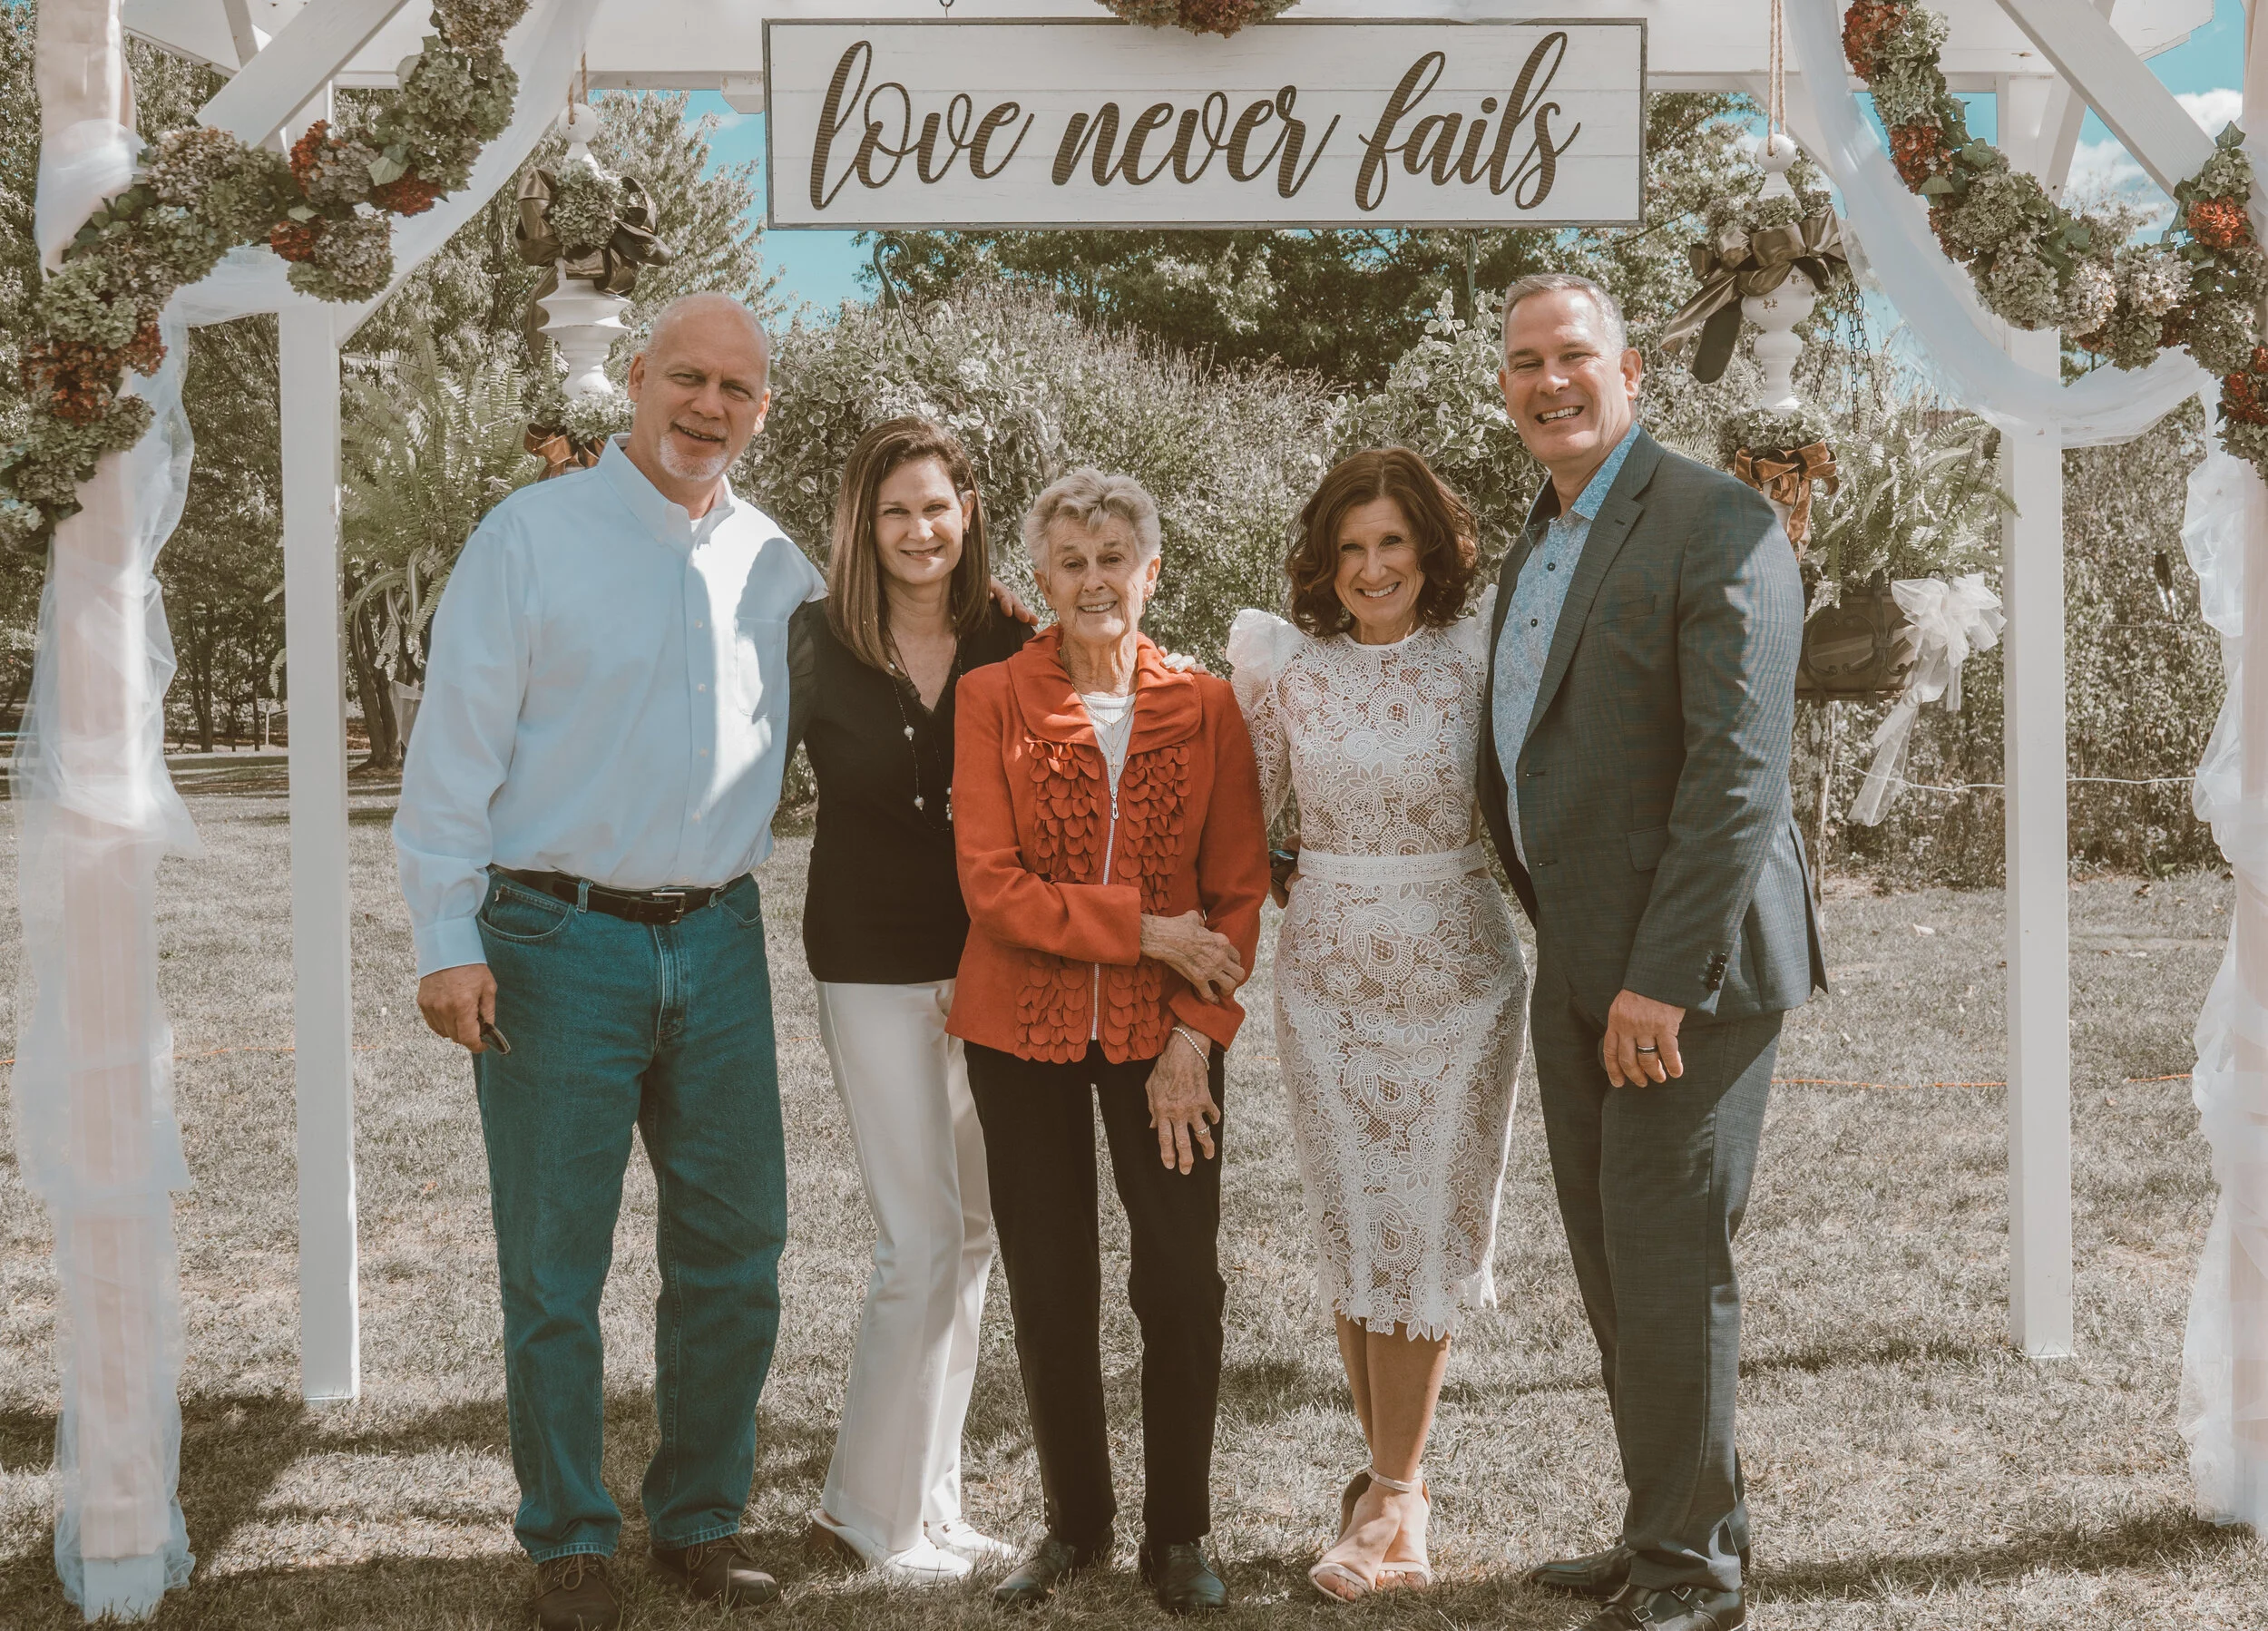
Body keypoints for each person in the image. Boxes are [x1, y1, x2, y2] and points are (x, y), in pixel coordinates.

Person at [396, 293, 813, 1631]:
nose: (708, 407)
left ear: (761, 411)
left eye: (736, 389)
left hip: (720, 938)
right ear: (636, 379)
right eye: (687, 377)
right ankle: (570, 1538)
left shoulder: (779, 564)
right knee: (553, 1259)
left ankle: (700, 1518)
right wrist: (445, 939)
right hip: (552, 939)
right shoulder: (529, 537)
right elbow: (453, 751)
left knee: (737, 1248)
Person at [1478, 273, 1826, 1631]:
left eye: (1573, 355)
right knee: (1616, 1260)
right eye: (1524, 362)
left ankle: (1694, 1576)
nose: (1549, 381)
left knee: (1671, 1259)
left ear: (1630, 372)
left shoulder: (1717, 518)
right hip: (1577, 951)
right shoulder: (1541, 534)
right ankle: (1667, 1525)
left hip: (1687, 971)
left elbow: (1739, 774)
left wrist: (1660, 981)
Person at [947, 469, 1270, 1616]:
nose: (1095, 581)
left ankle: (1178, 1533)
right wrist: (1143, 930)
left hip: (1164, 1036)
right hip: (1019, 1027)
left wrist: (1195, 1036)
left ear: (1152, 572)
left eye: (1114, 559)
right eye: (1072, 561)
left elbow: (1236, 895)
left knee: (1180, 1279)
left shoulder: (1210, 706)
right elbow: (992, 887)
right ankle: (1075, 1523)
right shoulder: (991, 697)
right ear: (1042, 576)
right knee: (1051, 1281)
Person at [1227, 448, 1526, 1602]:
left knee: (1421, 1231)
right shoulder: (1284, 667)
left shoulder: (1479, 654)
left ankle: (1392, 1495)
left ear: (1429, 549)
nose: (1370, 567)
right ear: (1323, 560)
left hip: (1457, 977)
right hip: (1325, 984)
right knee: (1357, 1232)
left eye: (1392, 541)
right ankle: (1390, 1494)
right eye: (1349, 547)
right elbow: (1245, 821)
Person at [787, 416, 1030, 1584]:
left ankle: (932, 1501)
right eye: (895, 512)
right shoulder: (815, 642)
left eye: (936, 506)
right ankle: (860, 1514)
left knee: (972, 1236)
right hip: (871, 963)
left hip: (995, 963)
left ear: (967, 512)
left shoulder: (1011, 636)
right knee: (919, 1237)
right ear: (863, 525)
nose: (919, 530)